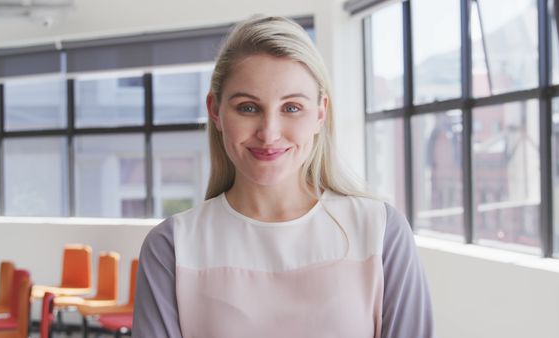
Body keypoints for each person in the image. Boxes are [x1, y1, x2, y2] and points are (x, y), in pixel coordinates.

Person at [133, 15, 434, 338]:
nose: (269, 133)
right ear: (215, 111)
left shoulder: (380, 231)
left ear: (320, 114)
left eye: (291, 108)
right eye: (248, 107)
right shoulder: (171, 248)